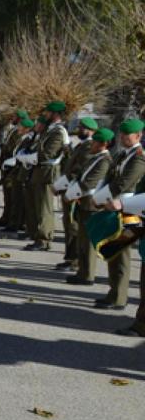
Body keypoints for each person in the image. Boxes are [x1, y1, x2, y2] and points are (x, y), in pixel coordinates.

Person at [93, 119, 145, 310]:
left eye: (127, 135)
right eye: (121, 134)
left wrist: (101, 198)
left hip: (128, 208)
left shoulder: (139, 157)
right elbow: (111, 178)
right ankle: (113, 292)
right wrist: (100, 197)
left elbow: (123, 183)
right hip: (114, 205)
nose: (122, 137)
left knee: (121, 252)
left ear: (138, 136)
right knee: (112, 249)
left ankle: (119, 297)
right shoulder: (124, 154)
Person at [65, 128, 113, 286]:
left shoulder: (105, 161)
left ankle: (88, 275)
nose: (92, 144)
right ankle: (82, 272)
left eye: (95, 142)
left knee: (89, 243)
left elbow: (89, 183)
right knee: (82, 241)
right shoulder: (96, 158)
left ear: (104, 144)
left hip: (92, 204)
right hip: (84, 202)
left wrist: (71, 194)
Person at [24, 102, 68, 251]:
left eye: (48, 113)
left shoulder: (58, 131)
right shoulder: (50, 130)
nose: (45, 115)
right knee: (38, 207)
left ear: (55, 114)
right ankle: (39, 236)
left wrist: (29, 158)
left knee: (45, 208)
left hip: (48, 172)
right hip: (40, 171)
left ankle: (44, 239)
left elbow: (48, 153)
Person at [55, 116, 98, 270]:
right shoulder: (82, 145)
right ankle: (70, 257)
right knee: (69, 225)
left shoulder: (89, 147)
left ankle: (75, 260)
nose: (79, 130)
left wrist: (62, 185)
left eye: (82, 128)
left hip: (76, 192)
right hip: (70, 189)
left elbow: (79, 170)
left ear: (91, 131)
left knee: (73, 227)